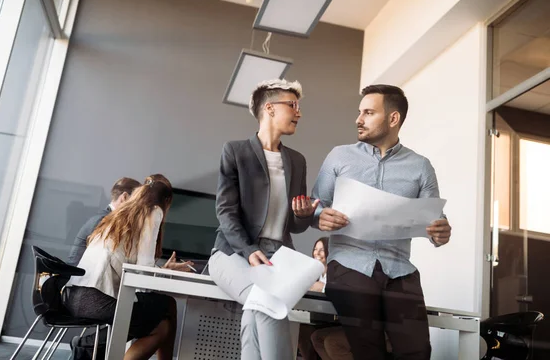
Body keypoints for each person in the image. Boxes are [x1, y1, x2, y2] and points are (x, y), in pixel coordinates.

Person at [311, 84, 452, 360]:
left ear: (393, 118)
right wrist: (320, 217)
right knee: (367, 349)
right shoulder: (339, 156)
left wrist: (441, 232)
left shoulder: (420, 166)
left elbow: (434, 218)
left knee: (419, 352)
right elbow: (317, 206)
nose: (358, 119)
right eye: (359, 112)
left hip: (400, 270)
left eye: (368, 112)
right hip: (349, 264)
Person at [208, 79, 319, 360]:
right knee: (268, 302)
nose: (299, 113)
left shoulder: (297, 160)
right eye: (292, 105)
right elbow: (226, 212)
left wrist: (302, 215)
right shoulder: (235, 152)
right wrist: (248, 250)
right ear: (269, 108)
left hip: (278, 257)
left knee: (255, 314)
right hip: (232, 252)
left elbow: (296, 226)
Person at [64, 174, 177, 360]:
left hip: (76, 296)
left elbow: (134, 265)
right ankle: (87, 345)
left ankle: (89, 345)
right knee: (166, 307)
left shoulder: (120, 214)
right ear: (166, 200)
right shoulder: (154, 210)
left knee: (162, 323)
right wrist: (164, 275)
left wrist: (162, 271)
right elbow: (144, 269)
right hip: (97, 299)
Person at [68, 176, 194, 272]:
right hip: (79, 286)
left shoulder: (112, 221)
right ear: (124, 197)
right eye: (136, 199)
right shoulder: (106, 221)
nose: (139, 207)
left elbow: (135, 269)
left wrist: (164, 269)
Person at [68, 177, 141, 265]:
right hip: (78, 276)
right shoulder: (104, 221)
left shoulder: (105, 218)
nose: (139, 209)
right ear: (124, 197)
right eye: (137, 202)